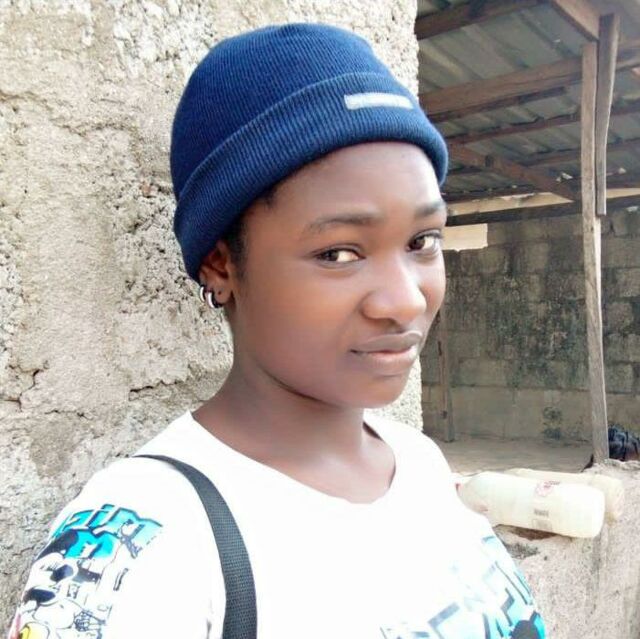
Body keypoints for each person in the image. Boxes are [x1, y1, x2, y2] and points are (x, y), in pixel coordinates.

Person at [7, 23, 547, 639]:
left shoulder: (416, 463)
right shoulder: (151, 545)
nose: (404, 300)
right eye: (339, 253)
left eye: (422, 241)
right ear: (221, 265)